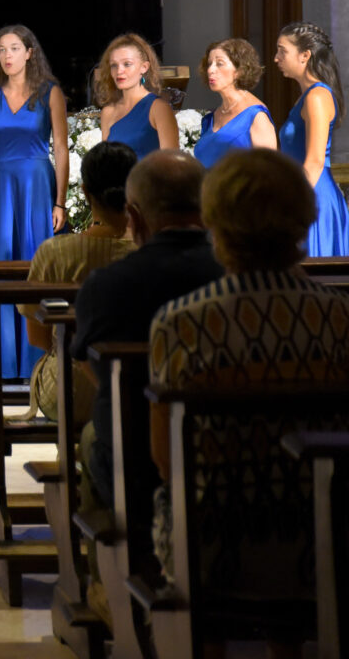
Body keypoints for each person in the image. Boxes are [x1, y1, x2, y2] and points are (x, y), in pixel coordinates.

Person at [148, 149, 349, 599]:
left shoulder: (183, 322)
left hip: (215, 543)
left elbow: (164, 458)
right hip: (329, 536)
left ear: (214, 221)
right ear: (305, 219)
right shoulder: (340, 316)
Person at [71, 150, 222, 512]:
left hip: (137, 465)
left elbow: (96, 371)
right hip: (234, 461)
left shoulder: (107, 285)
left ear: (134, 217)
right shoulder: (236, 275)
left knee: (89, 438)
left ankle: (106, 545)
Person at [14, 141, 138, 420]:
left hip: (67, 388)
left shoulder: (54, 252)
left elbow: (37, 336)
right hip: (137, 387)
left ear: (85, 192)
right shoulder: (148, 251)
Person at [0, 25, 69, 378]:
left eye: (14, 48)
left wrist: (60, 202)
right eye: (1, 49)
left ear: (29, 53)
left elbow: (61, 148)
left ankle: (36, 357)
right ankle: (1, 359)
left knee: (34, 264)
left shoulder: (50, 93)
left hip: (36, 185)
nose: (7, 55)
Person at [274, 21, 349, 255]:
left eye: (282, 51)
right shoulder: (307, 95)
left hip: (312, 197)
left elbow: (315, 161)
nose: (276, 58)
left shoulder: (317, 96)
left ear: (305, 55)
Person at [193, 38, 276, 166]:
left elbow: (269, 169)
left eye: (219, 63)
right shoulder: (211, 118)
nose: (210, 70)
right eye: (209, 64)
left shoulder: (256, 116)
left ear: (239, 71)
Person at [95, 32, 178, 158]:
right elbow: (106, 163)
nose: (119, 71)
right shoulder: (108, 112)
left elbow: (172, 162)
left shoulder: (158, 108)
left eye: (127, 64)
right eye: (114, 65)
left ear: (144, 67)